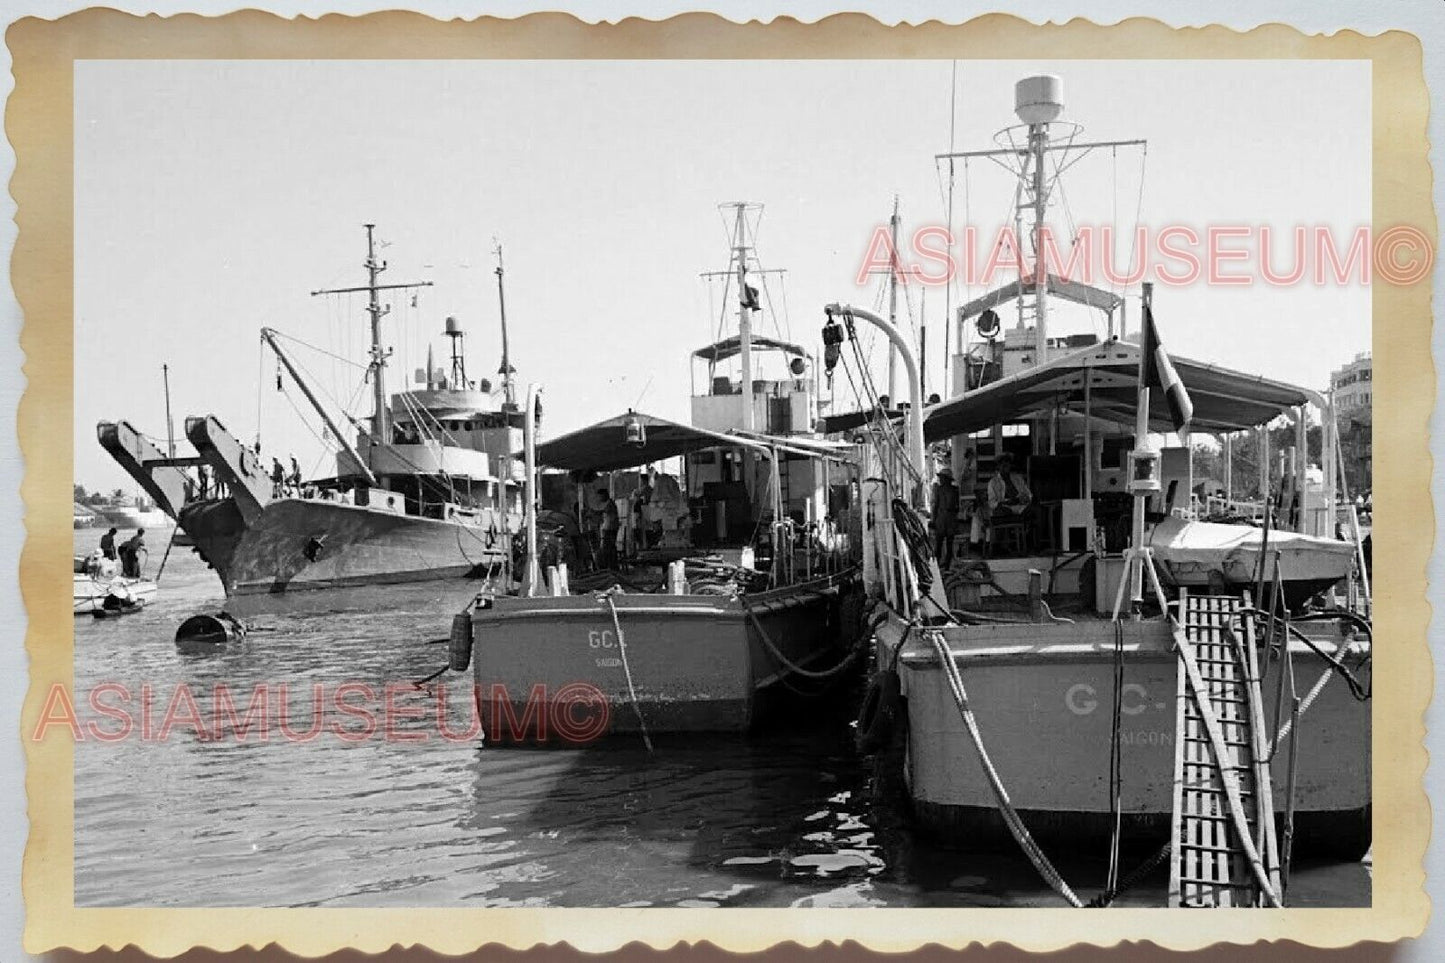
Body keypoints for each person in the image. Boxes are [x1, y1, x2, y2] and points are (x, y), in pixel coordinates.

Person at [930, 468, 960, 568]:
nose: (941, 480)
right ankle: (938, 564)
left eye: (942, 478)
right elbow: (935, 505)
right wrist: (933, 519)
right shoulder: (939, 489)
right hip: (942, 518)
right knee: (939, 543)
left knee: (948, 544)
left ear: (947, 479)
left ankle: (946, 564)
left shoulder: (954, 490)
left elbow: (956, 507)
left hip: (948, 518)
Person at [597, 489, 619, 569]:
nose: (599, 498)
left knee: (608, 549)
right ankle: (611, 565)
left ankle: (611, 566)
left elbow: (602, 512)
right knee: (608, 548)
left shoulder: (610, 504)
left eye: (600, 496)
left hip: (610, 529)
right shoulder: (608, 504)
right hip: (608, 528)